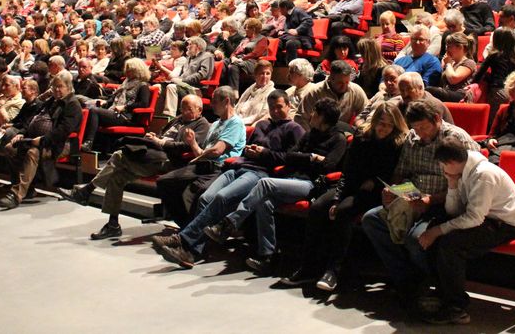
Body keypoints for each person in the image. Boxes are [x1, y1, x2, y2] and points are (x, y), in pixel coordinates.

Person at [156, 89, 304, 267]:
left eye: (279, 107)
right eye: (271, 107)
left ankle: (184, 241)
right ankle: (194, 250)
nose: (275, 111)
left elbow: (290, 159)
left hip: (260, 173)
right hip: (239, 166)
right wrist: (250, 151)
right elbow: (248, 146)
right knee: (205, 198)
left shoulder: (294, 129)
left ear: (289, 106)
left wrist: (264, 153)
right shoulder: (262, 125)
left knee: (221, 197)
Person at [204, 98, 348, 274]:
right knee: (265, 203)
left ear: (322, 117)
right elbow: (289, 155)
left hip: (311, 185)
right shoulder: (310, 134)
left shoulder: (338, 139)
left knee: (264, 183)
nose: (311, 115)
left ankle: (230, 222)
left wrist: (306, 158)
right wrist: (311, 157)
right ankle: (267, 256)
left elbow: (329, 166)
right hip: (291, 179)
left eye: (315, 113)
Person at [360, 101, 479, 313]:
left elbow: (466, 183)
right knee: (371, 219)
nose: (420, 134)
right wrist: (394, 190)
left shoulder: (456, 138)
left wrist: (430, 200)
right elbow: (402, 171)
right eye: (415, 128)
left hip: (444, 202)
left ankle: (434, 284)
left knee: (416, 239)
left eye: (424, 128)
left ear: (437, 120)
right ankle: (407, 279)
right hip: (412, 198)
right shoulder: (412, 138)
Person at [279, 103, 408, 291]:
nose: (384, 128)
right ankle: (308, 267)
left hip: (376, 192)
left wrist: (373, 183)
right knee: (317, 208)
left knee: (344, 211)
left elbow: (393, 175)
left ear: (395, 126)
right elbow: (348, 171)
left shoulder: (398, 143)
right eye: (381, 123)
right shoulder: (362, 137)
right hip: (352, 185)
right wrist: (337, 198)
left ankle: (333, 270)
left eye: (389, 125)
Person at [413, 139, 515, 325]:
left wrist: (437, 231)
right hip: (485, 218)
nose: (442, 169)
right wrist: (451, 185)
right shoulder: (462, 170)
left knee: (450, 244)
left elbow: (474, 218)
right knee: (435, 228)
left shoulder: (483, 175)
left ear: (450, 162)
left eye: (443, 165)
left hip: (505, 224)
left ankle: (456, 307)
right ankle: (441, 292)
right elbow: (453, 211)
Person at [65, 94, 211, 238]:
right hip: (153, 156)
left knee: (118, 156)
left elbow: (186, 147)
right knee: (117, 177)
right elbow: (163, 134)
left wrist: (161, 142)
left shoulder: (202, 124)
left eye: (188, 109)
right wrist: (155, 137)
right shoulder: (178, 119)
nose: (184, 112)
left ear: (199, 109)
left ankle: (87, 191)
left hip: (168, 162)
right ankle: (113, 225)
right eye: (182, 108)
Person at [154, 86, 246, 226]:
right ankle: (186, 227)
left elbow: (217, 152)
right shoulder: (215, 124)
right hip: (201, 165)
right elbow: (200, 153)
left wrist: (204, 152)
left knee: (192, 193)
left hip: (219, 168)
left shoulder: (235, 123)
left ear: (226, 101)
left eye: (214, 101)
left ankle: (189, 235)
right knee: (164, 182)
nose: (211, 104)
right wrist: (193, 143)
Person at [0, 73, 83, 209]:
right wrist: (21, 133)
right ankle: (28, 188)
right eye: (54, 87)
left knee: (33, 152)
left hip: (61, 144)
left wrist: (42, 140)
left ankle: (16, 195)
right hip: (37, 139)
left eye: (60, 87)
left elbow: (63, 131)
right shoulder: (51, 101)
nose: (56, 90)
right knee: (10, 148)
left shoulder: (73, 105)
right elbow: (34, 119)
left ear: (68, 87)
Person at [79, 58, 152, 152]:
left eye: (130, 70)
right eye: (127, 69)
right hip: (115, 112)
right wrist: (105, 102)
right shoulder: (125, 83)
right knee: (88, 109)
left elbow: (144, 104)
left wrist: (125, 107)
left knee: (94, 111)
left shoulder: (143, 85)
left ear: (138, 70)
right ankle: (88, 144)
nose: (127, 72)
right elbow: (113, 98)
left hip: (127, 116)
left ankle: (89, 143)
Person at [301, 60, 368, 129]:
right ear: (331, 78)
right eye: (340, 83)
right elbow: (301, 118)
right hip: (318, 133)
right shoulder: (314, 92)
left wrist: (359, 122)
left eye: (347, 82)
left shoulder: (355, 90)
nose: (344, 86)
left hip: (343, 133)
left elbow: (366, 112)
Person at [472, 28, 515, 114]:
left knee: (494, 119)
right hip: (513, 92)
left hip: (498, 90)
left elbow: (479, 73)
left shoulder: (493, 55)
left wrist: (473, 83)